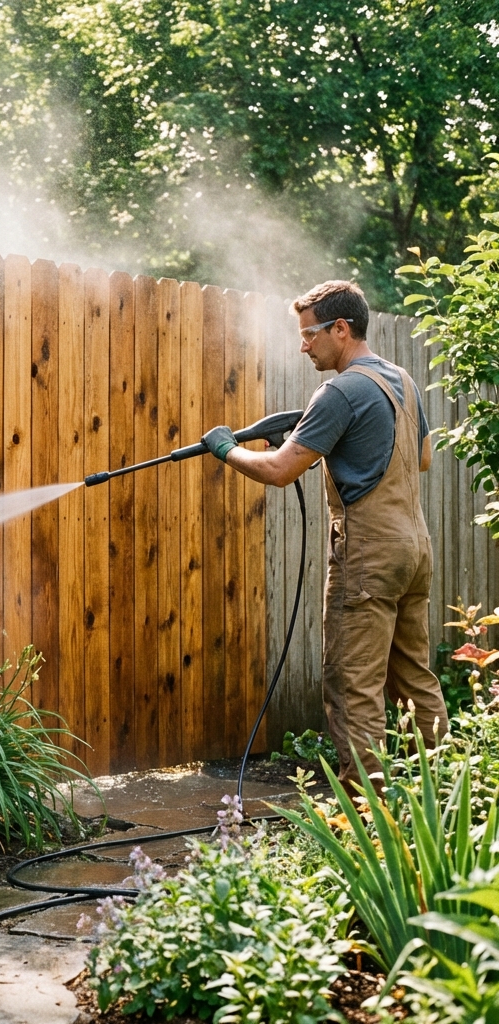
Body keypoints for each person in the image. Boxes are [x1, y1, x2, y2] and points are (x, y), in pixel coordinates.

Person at [201, 279, 449, 792]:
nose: (303, 344)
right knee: (415, 679)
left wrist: (226, 449)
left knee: (352, 686)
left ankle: (365, 816)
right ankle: (442, 797)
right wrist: (332, 441)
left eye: (311, 333)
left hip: (368, 558)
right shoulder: (400, 378)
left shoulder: (339, 391)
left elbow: (277, 470)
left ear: (341, 328)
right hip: (413, 551)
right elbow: (421, 457)